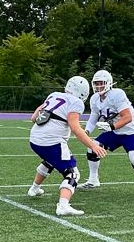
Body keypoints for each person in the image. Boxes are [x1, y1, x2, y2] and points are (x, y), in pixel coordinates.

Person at [80, 70, 134, 201]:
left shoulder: (117, 94)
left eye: (101, 83)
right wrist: (85, 132)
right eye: (96, 83)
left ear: (109, 83)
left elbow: (127, 117)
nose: (98, 86)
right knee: (92, 147)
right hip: (115, 131)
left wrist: (111, 127)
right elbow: (93, 118)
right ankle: (93, 180)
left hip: (132, 131)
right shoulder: (95, 99)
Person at [26, 76, 105, 216]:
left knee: (51, 161)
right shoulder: (76, 102)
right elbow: (75, 128)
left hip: (34, 139)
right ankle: (63, 205)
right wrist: (93, 145)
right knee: (72, 173)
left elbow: (34, 118)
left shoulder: (54, 95)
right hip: (51, 141)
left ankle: (34, 189)